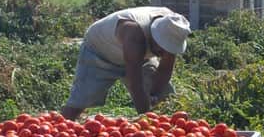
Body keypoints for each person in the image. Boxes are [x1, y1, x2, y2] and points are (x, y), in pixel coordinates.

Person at [61, 7, 191, 120]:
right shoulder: (134, 33)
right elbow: (135, 84)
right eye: (162, 49)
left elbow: (164, 71)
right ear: (154, 37)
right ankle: (59, 130)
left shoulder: (173, 28)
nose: (164, 54)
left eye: (168, 49)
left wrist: (153, 94)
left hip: (138, 55)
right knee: (80, 101)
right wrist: (146, 120)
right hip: (100, 50)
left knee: (165, 95)